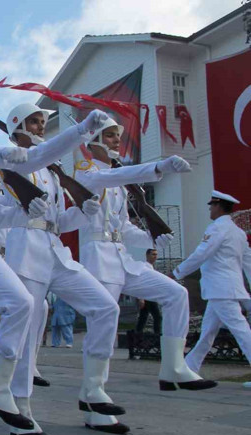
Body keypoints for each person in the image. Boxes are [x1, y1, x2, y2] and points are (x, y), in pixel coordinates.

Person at [0, 102, 117, 435]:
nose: (41, 126)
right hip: (25, 248)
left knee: (106, 308)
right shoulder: (6, 162)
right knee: (27, 336)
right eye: (34, 121)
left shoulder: (51, 171)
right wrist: (19, 207)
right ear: (16, 124)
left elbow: (61, 222)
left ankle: (93, 392)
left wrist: (84, 213)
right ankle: (22, 413)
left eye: (44, 121)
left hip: (56, 251)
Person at [73, 116, 215, 401]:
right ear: (95, 140)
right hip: (99, 258)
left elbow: (123, 227)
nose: (117, 140)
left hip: (122, 258)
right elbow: (111, 177)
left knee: (176, 294)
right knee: (104, 324)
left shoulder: (118, 180)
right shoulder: (86, 172)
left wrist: (151, 237)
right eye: (110, 135)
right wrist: (157, 167)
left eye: (117, 135)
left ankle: (173, 368)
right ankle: (93, 392)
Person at [179, 191, 251, 385]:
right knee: (208, 333)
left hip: (221, 290)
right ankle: (187, 369)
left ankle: (186, 369)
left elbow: (201, 254)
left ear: (218, 206)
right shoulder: (238, 232)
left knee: (241, 331)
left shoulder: (217, 228)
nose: (210, 209)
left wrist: (178, 272)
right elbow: (248, 262)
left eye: (211, 205)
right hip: (226, 289)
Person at [135, 249, 163, 334]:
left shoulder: (151, 267)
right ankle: (157, 336)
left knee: (143, 317)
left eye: (156, 254)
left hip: (149, 295)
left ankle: (137, 335)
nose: (155, 257)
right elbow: (140, 282)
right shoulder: (145, 267)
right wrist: (141, 298)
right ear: (147, 255)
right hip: (147, 296)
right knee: (158, 317)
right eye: (153, 254)